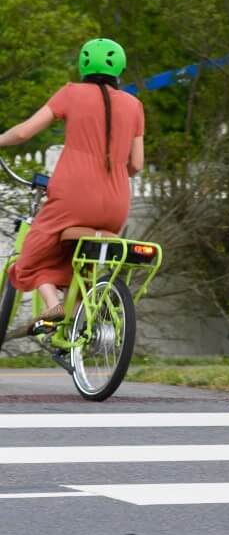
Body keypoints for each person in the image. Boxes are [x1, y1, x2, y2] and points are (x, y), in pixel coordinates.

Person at [0, 39, 146, 328]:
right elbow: (137, 164)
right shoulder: (134, 105)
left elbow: (24, 133)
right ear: (120, 70)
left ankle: (52, 305)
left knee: (32, 254)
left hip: (73, 196)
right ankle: (79, 323)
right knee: (83, 258)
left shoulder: (71, 93)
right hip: (116, 204)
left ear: (83, 65)